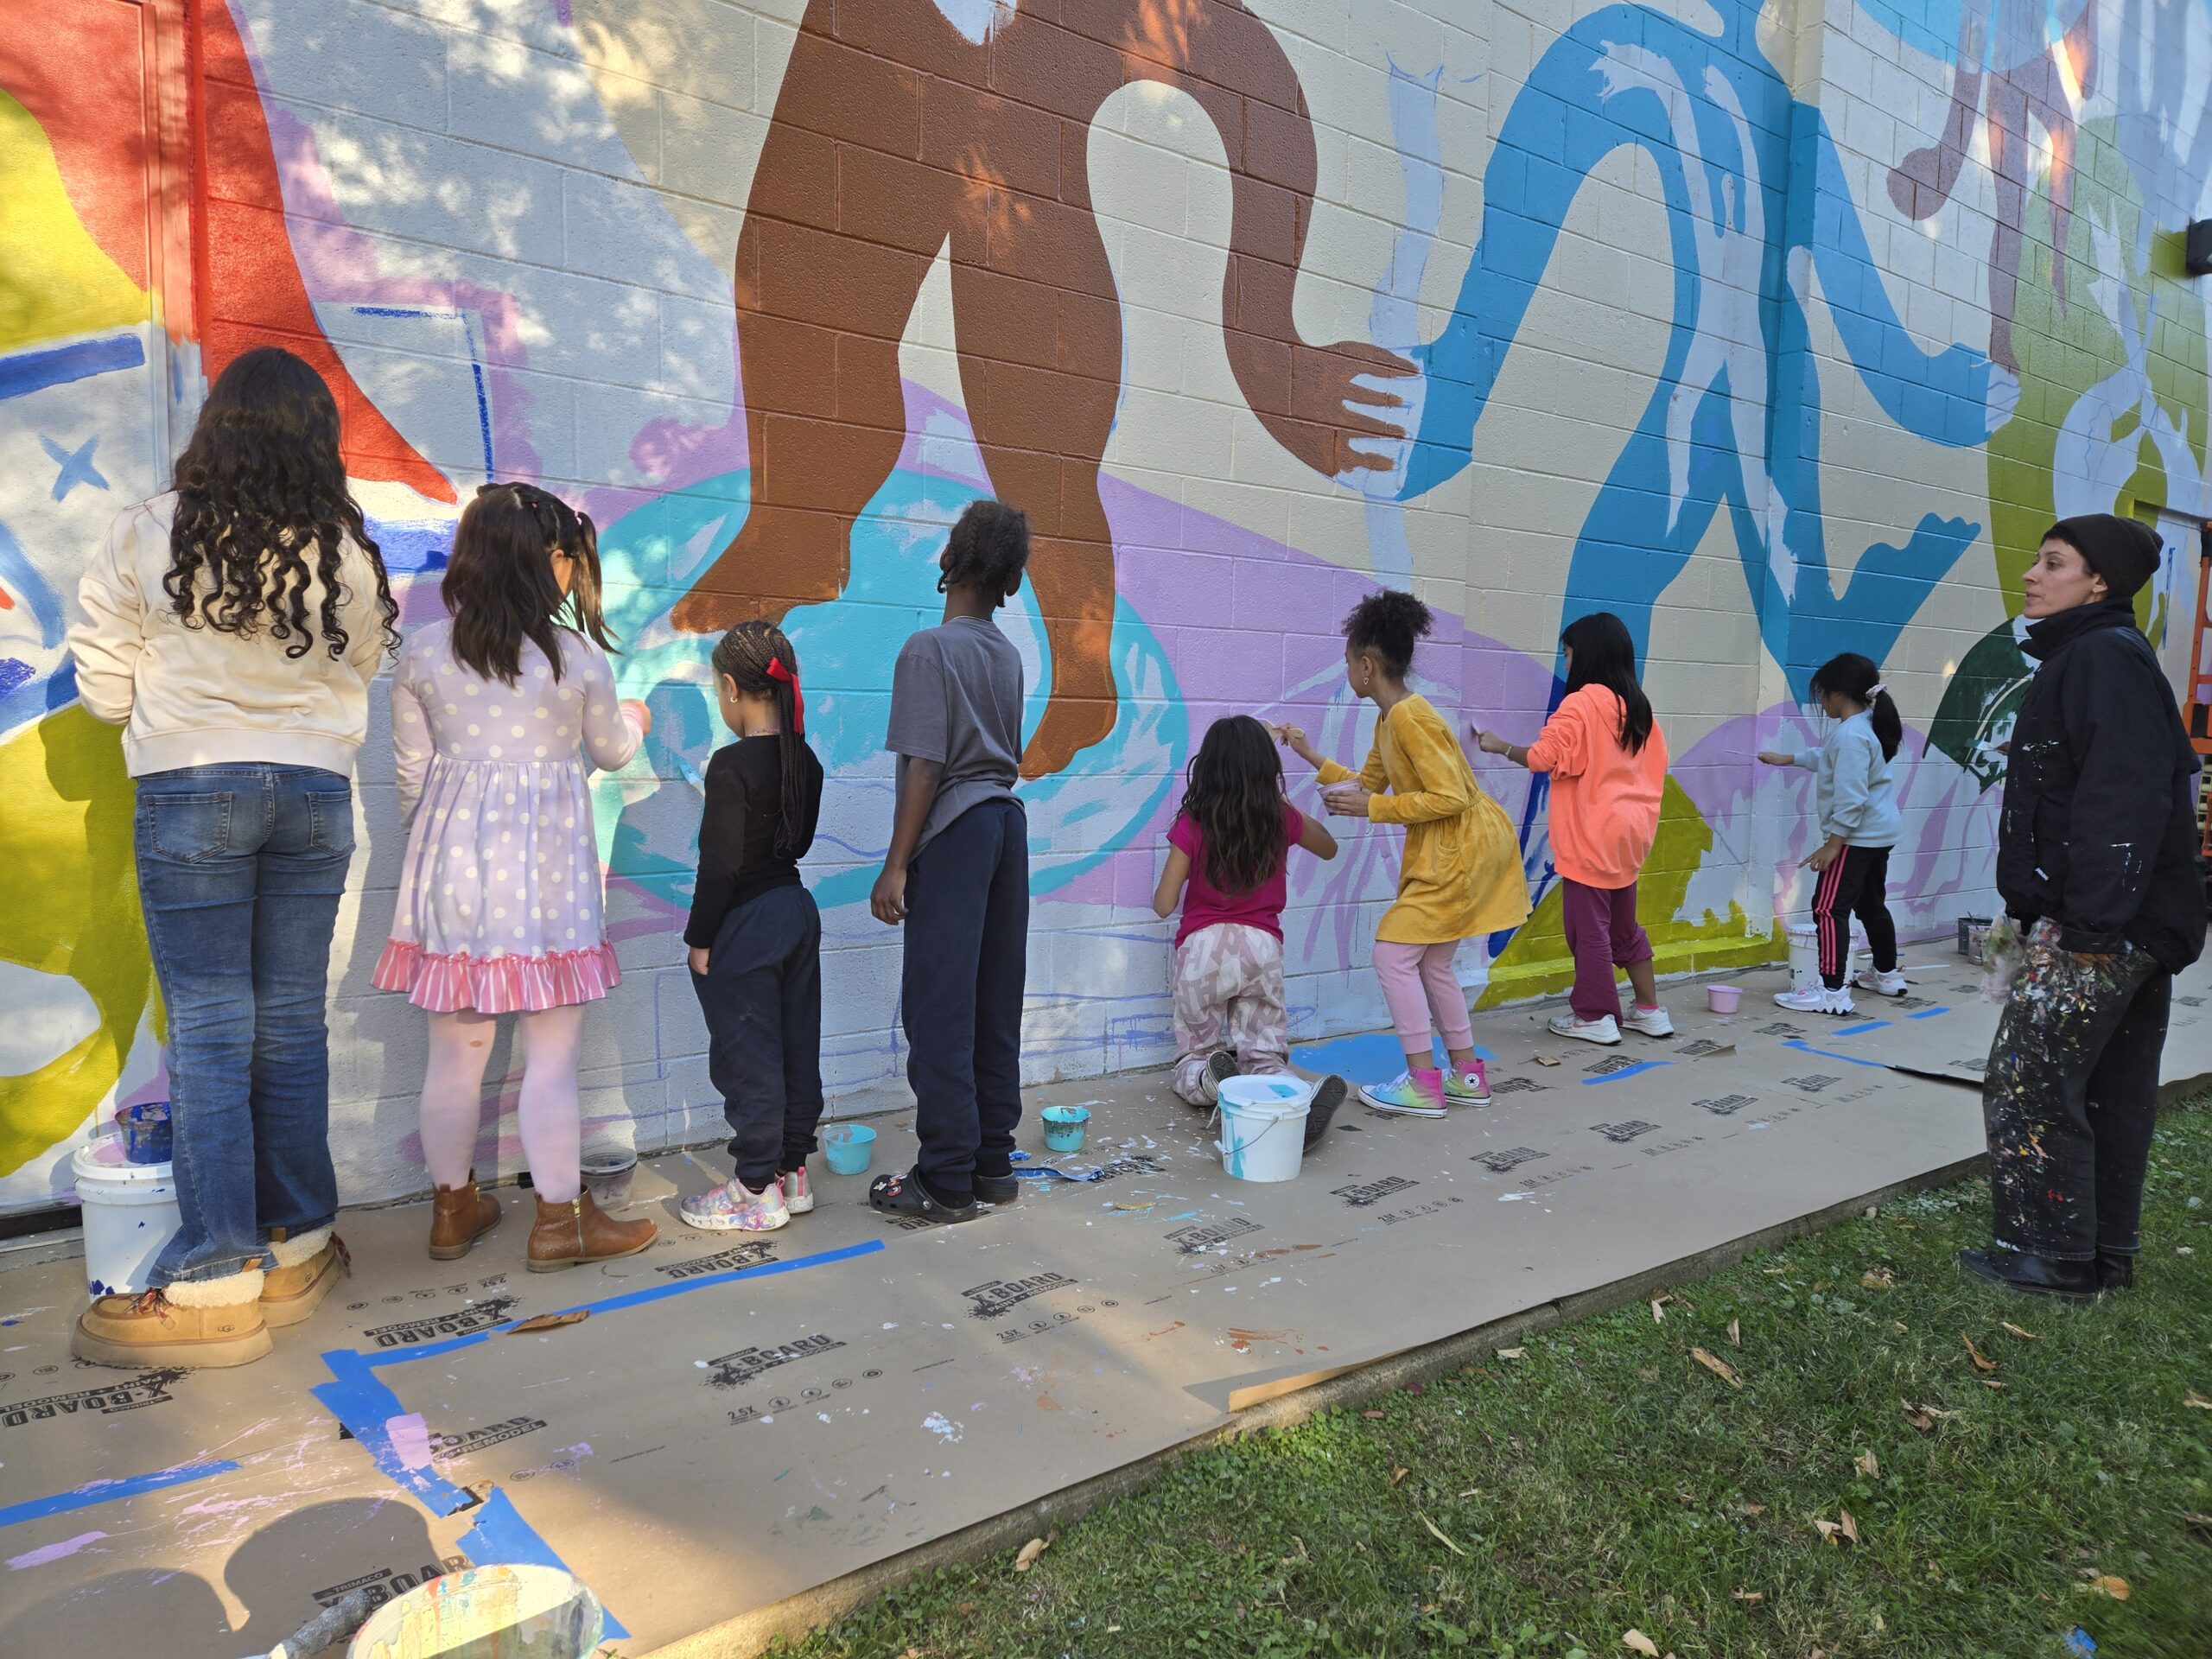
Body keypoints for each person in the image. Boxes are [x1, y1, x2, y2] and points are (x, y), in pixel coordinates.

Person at [67, 346, 397, 1368]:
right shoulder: (342, 549)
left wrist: (152, 719)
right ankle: (298, 1241)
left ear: (217, 426)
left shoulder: (147, 529)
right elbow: (369, 659)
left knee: (212, 1032)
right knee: (289, 1024)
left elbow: (100, 672)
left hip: (194, 783)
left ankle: (217, 1270)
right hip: (310, 790)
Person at [372, 482, 658, 1272]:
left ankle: (453, 1211)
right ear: (548, 561)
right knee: (551, 1058)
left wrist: (438, 853)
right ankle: (560, 1224)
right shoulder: (576, 661)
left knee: (454, 1055)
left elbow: (409, 779)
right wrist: (635, 716)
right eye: (566, 555)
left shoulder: (426, 651)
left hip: (452, 877)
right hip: (548, 883)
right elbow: (610, 753)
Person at [1960, 513, 2206, 1300]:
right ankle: (2103, 1253)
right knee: (2108, 1086)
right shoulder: (2104, 656)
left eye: (2054, 563)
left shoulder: (2100, 657)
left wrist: (2090, 926)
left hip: (2108, 927)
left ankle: (2049, 1255)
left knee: (2028, 1077)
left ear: (2099, 583)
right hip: (2133, 921)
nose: (2032, 575)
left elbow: (2121, 797)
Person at [1278, 592, 1530, 1115]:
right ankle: (1467, 1077)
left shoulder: (1410, 718)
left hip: (1458, 851)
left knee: (1393, 955)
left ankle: (1423, 1082)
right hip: (1460, 847)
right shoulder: (1390, 719)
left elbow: (1450, 797)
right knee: (1434, 963)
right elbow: (1365, 784)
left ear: (1366, 666)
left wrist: (1376, 808)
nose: (1349, 670)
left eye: (1349, 662)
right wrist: (1307, 754)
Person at [867, 499, 1033, 1222]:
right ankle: (992, 1162)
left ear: (948, 563)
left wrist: (896, 863)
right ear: (1009, 580)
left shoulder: (927, 650)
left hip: (957, 836)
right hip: (1006, 828)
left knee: (939, 1010)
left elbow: (926, 766)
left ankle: (944, 1180)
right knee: (993, 1002)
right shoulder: (1007, 654)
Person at [682, 621, 827, 1232]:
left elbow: (720, 866)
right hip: (796, 912)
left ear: (731, 689)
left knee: (749, 1055)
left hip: (746, 923)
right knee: (797, 1046)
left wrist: (699, 938)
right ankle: (793, 1172)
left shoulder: (730, 765)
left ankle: (754, 1189)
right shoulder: (806, 760)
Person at [1473, 611, 1672, 1047]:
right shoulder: (1638, 706)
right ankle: (1650, 1010)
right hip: (1632, 835)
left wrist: (1499, 745)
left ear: (1587, 655)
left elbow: (1543, 758)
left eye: (1567, 652)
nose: (1565, 662)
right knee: (1623, 928)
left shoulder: (1581, 703)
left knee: (1589, 931)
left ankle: (1595, 1016)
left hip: (1592, 835)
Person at [1154, 715, 1348, 1141]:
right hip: (1262, 947)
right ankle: (1294, 1095)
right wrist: (1277, 803)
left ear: (1208, 767)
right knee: (1264, 1055)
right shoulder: (1279, 817)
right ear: (1266, 770)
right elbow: (1330, 848)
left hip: (1203, 947)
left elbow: (1163, 905)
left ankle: (1210, 1080)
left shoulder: (1193, 822)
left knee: (1194, 1055)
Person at [1758, 652, 1908, 1014]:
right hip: (1878, 834)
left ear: (1838, 693)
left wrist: (1833, 844)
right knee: (1870, 904)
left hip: (1855, 838)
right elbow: (1830, 759)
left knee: (1827, 908)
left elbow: (1852, 796)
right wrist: (1789, 758)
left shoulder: (1852, 735)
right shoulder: (1864, 725)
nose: (1820, 703)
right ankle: (1886, 974)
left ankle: (1831, 991)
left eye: (1822, 695)